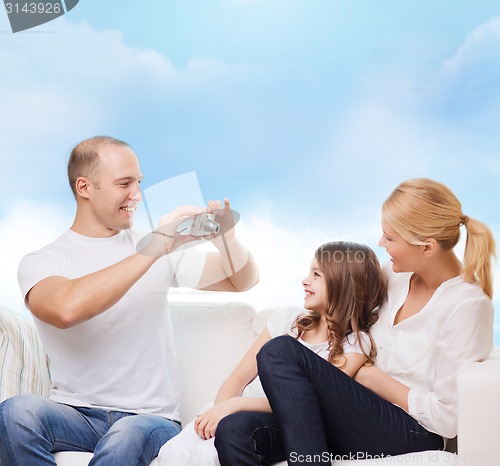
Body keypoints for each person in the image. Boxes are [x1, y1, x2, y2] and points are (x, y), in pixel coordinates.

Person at [0, 136, 259, 466]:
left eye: (139, 183)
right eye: (125, 183)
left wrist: (228, 240)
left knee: (126, 437)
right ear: (85, 187)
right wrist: (155, 247)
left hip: (150, 421)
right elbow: (65, 310)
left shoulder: (159, 248)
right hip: (75, 415)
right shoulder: (43, 262)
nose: (137, 195)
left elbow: (243, 280)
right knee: (16, 412)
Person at [215, 178, 495, 466]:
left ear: (427, 247)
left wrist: (373, 379)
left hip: (411, 430)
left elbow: (447, 419)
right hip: (354, 410)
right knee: (234, 431)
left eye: (390, 238)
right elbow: (343, 294)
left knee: (279, 352)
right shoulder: (394, 275)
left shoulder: (467, 306)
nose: (381, 243)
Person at [156, 241, 388, 466]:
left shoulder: (356, 344)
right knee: (183, 451)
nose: (305, 281)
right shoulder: (289, 321)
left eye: (317, 275)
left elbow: (306, 403)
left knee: (223, 442)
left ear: (343, 284)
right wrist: (220, 410)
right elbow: (238, 377)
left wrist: (236, 406)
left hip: (279, 423)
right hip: (234, 410)